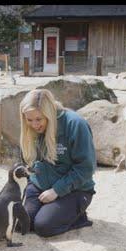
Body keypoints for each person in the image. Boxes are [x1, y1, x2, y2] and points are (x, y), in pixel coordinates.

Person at [19, 89, 96, 238]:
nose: (34, 125)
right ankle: (50, 211)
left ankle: (79, 217)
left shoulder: (75, 124)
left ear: (49, 113)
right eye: (29, 120)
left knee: (43, 227)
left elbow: (86, 168)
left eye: (39, 119)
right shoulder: (31, 127)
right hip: (40, 186)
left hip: (75, 190)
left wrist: (57, 191)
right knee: (22, 224)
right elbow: (27, 162)